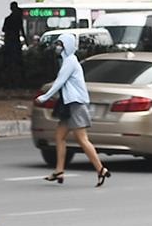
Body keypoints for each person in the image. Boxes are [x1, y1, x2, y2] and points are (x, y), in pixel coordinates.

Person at [39, 31, 109, 185]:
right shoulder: (67, 61)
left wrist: (45, 97)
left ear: (68, 46)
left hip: (76, 104)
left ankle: (100, 169)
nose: (58, 47)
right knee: (59, 137)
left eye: (61, 44)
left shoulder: (70, 61)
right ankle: (59, 171)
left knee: (82, 139)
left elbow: (59, 81)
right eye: (58, 44)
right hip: (68, 104)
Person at [1, 1, 25, 81]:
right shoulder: (18, 20)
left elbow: (4, 29)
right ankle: (17, 77)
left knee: (9, 60)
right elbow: (22, 30)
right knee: (16, 60)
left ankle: (10, 77)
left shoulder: (8, 19)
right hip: (14, 42)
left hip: (9, 41)